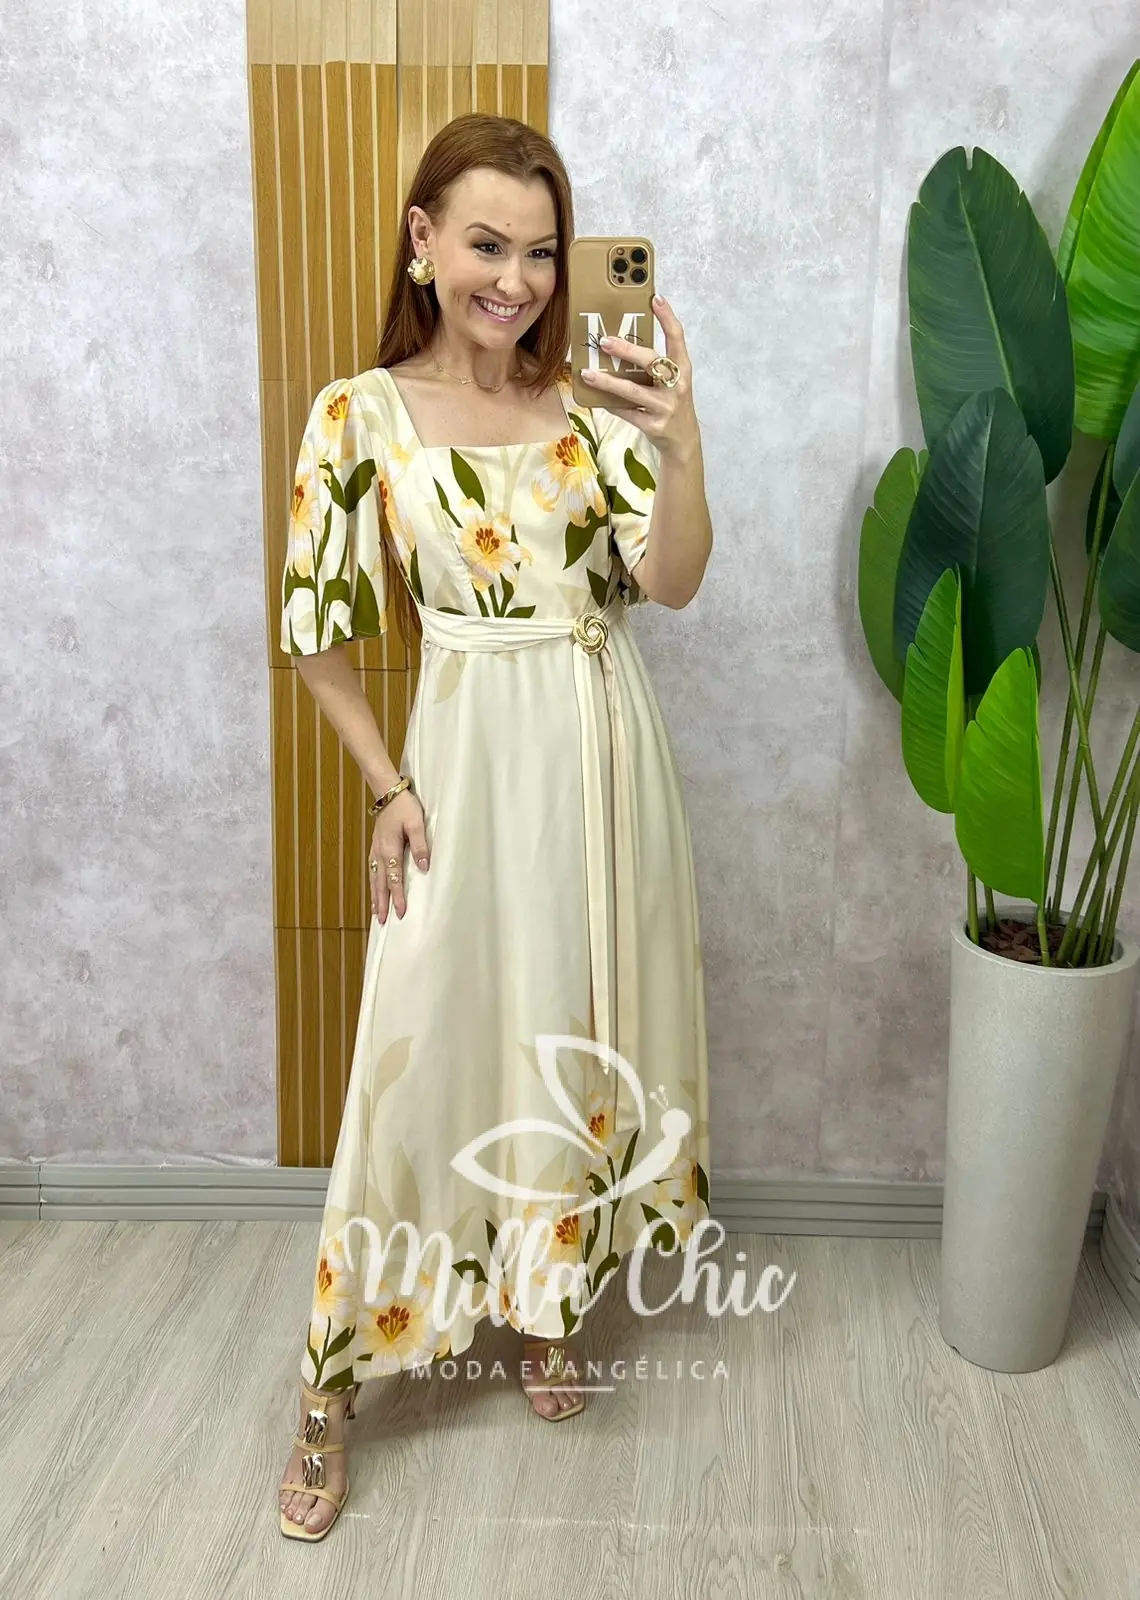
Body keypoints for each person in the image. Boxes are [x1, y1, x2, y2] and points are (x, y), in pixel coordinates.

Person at [277, 112, 713, 1541]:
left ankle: (544, 1299)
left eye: (540, 251)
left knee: (564, 1026)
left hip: (602, 751)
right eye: (485, 245)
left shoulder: (591, 405)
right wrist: (387, 789)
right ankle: (332, 1380)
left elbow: (673, 581)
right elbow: (317, 634)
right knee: (421, 1044)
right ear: (423, 240)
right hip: (464, 757)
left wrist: (680, 437)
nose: (516, 281)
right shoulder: (359, 416)